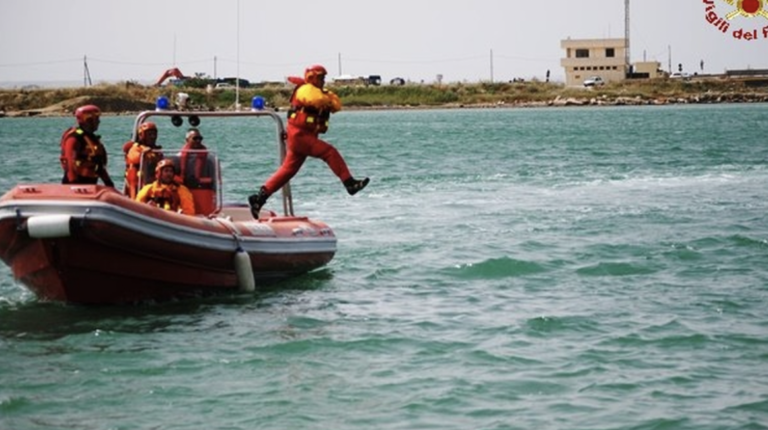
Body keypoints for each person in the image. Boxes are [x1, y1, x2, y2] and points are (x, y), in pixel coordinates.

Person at [247, 64, 369, 218]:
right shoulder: (306, 89)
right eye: (321, 78)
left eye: (324, 78)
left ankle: (259, 198)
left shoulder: (319, 91)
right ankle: (349, 183)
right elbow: (317, 100)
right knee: (329, 152)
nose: (323, 81)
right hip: (300, 136)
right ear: (312, 77)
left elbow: (336, 105)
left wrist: (328, 99)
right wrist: (328, 99)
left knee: (287, 171)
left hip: (303, 136)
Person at [59, 104, 115, 187]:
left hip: (91, 182)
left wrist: (108, 183)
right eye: (96, 119)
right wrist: (73, 183)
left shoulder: (93, 139)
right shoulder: (74, 138)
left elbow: (99, 164)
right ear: (88, 120)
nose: (99, 122)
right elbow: (70, 162)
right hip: (75, 182)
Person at [123, 121, 163, 199]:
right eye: (149, 134)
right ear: (142, 135)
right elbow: (134, 159)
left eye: (154, 134)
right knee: (133, 172)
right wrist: (144, 154)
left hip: (153, 181)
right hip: (138, 183)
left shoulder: (157, 151)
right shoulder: (136, 148)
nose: (152, 137)